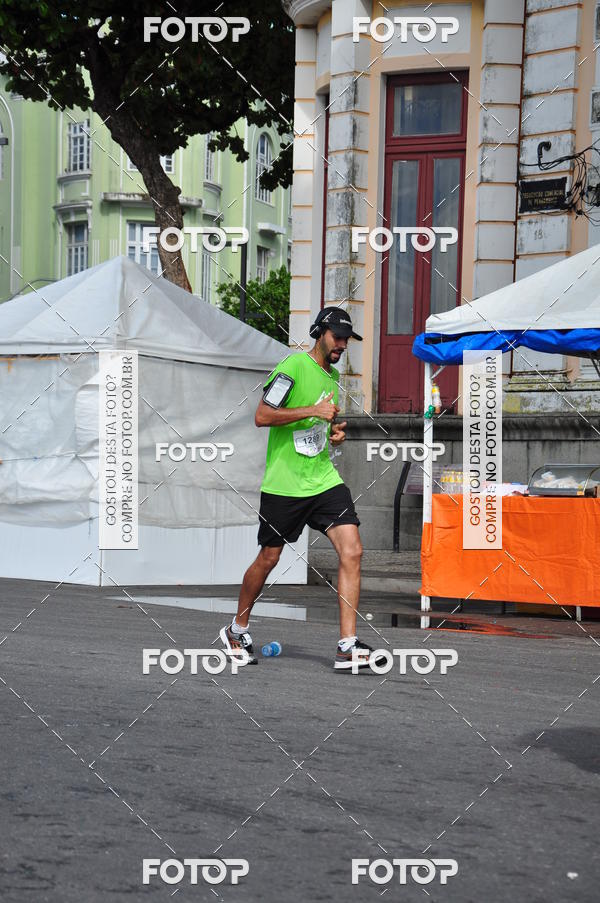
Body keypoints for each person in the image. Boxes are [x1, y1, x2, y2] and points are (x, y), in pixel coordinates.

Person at [220, 306, 378, 671]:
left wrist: (333, 435)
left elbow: (319, 427)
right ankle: (236, 629)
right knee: (269, 558)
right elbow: (262, 416)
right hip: (285, 485)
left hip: (322, 480)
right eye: (337, 337)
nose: (342, 345)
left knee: (352, 550)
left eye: (346, 340)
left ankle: (347, 645)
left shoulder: (332, 375)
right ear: (319, 333)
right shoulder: (291, 367)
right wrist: (312, 411)